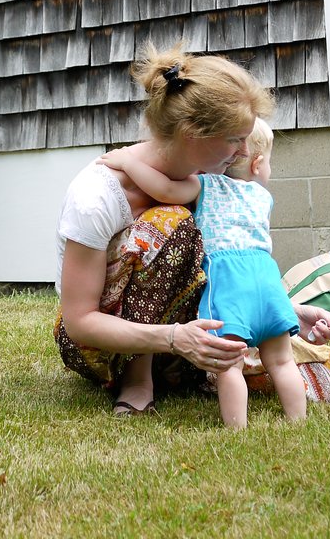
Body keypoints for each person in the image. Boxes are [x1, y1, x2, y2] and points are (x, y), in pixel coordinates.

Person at [54, 44, 330, 416]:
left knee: (319, 375)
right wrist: (175, 338)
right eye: (234, 139)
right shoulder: (95, 197)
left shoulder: (211, 185)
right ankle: (137, 379)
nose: (243, 154)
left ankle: (185, 370)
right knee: (172, 223)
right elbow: (79, 323)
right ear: (192, 132)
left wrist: (286, 312)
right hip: (106, 345)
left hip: (188, 335)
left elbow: (225, 268)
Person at [100, 117, 305, 428]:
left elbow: (166, 189)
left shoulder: (206, 186)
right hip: (267, 277)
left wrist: (128, 162)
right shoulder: (263, 197)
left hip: (229, 281)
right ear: (258, 164)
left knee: (229, 365)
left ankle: (237, 427)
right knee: (282, 360)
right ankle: (297, 420)